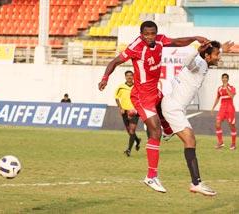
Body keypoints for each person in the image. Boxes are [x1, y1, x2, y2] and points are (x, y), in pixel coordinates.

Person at [98, 20, 209, 193]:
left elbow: (177, 42)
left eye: (153, 34)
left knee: (166, 109)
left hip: (155, 92)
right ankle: (151, 177)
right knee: (155, 131)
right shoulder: (135, 47)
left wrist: (195, 38)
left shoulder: (159, 41)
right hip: (142, 96)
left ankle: (167, 130)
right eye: (146, 34)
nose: (150, 37)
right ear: (141, 34)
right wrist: (105, 78)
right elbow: (114, 62)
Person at [161, 41, 234, 196]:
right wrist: (196, 50)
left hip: (174, 107)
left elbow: (205, 56)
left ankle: (166, 129)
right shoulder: (199, 64)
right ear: (207, 56)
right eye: (217, 55)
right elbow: (187, 62)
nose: (219, 58)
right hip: (173, 109)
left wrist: (221, 49)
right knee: (190, 141)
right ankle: (196, 183)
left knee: (190, 140)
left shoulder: (204, 63)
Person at [115, 70, 141, 156]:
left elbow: (142, 97)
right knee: (129, 131)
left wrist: (138, 108)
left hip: (134, 111)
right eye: (127, 76)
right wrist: (120, 108)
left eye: (131, 75)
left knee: (132, 130)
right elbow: (117, 98)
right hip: (125, 111)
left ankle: (129, 150)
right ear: (125, 77)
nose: (129, 77)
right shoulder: (120, 87)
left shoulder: (137, 86)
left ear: (133, 77)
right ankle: (137, 140)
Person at [211, 73, 236, 150]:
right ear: (221, 79)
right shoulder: (219, 88)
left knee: (231, 126)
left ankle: (233, 144)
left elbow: (231, 96)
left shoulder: (231, 87)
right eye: (223, 78)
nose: (224, 79)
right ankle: (220, 142)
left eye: (225, 78)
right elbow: (218, 98)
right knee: (217, 124)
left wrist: (226, 88)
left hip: (230, 108)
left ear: (228, 79)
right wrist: (213, 107)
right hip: (222, 108)